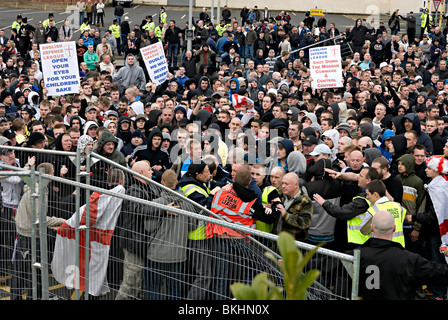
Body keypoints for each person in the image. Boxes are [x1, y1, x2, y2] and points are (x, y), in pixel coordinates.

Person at [206, 167, 278, 299]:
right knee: (245, 273)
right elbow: (269, 217)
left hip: (218, 239)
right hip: (240, 242)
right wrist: (274, 207)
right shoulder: (251, 201)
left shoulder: (220, 193)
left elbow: (210, 205)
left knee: (220, 278)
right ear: (248, 183)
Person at [356, 210, 448, 300]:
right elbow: (440, 273)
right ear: (394, 228)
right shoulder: (410, 260)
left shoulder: (356, 256)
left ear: (371, 228)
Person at [11, 163, 65, 300]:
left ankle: (21, 296)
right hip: (30, 236)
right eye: (53, 172)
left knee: (21, 271)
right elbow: (38, 219)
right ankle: (35, 297)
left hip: (24, 233)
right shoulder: (39, 192)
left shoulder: (34, 188)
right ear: (50, 174)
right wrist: (61, 220)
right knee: (34, 273)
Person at [115, 161, 155, 300]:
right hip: (134, 243)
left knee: (137, 282)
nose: (152, 172)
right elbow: (137, 209)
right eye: (149, 170)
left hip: (139, 242)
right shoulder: (134, 190)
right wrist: (162, 209)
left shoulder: (145, 188)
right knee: (130, 282)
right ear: (142, 173)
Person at [359, 179, 407, 247]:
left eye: (368, 194)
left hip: (380, 248)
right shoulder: (398, 207)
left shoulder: (373, 210)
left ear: (375, 194)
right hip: (399, 247)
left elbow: (363, 230)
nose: (367, 197)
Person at [276, 172, 313, 241]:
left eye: (286, 184)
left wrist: (286, 215)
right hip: (277, 240)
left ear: (296, 185)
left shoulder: (305, 201)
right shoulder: (280, 194)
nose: (283, 186)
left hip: (294, 245)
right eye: (282, 183)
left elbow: (305, 223)